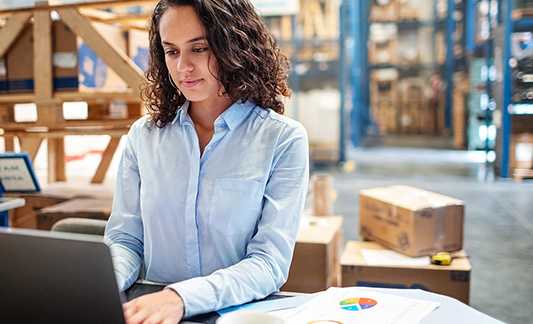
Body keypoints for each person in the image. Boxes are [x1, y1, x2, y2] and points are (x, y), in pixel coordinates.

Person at [104, 0, 309, 323]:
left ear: (234, 47)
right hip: (152, 313)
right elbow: (126, 239)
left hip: (233, 315)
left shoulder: (281, 140)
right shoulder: (143, 138)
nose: (183, 67)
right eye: (171, 51)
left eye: (198, 49)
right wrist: (104, 285)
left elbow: (268, 263)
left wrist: (180, 298)